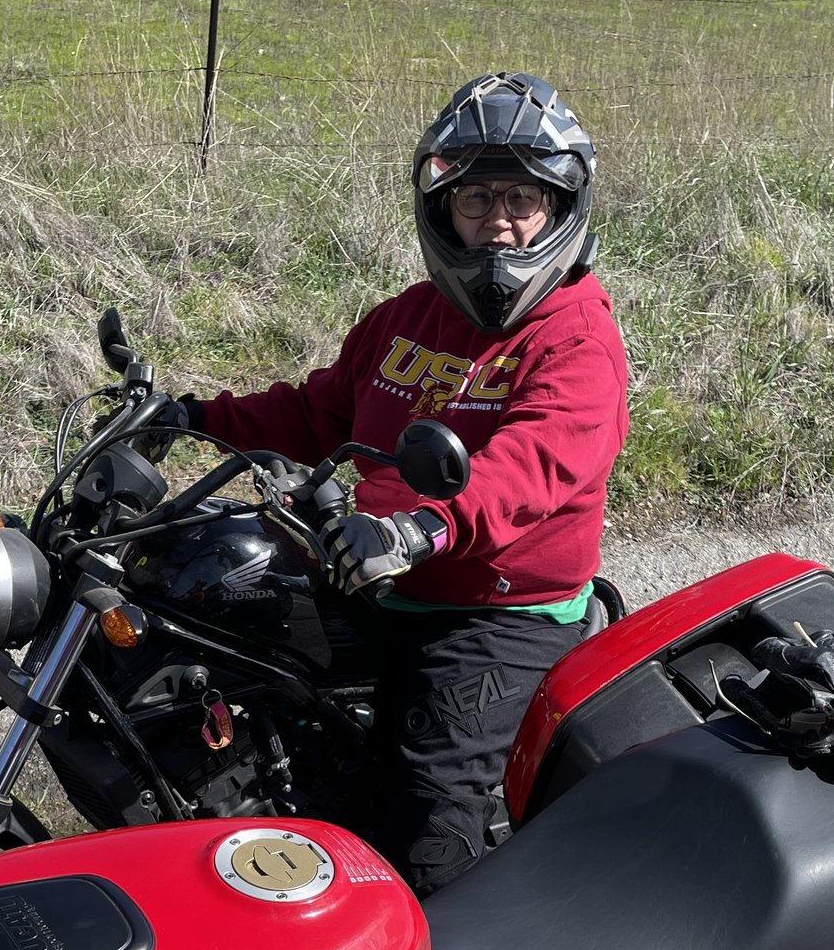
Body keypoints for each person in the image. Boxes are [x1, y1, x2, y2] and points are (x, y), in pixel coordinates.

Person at [170, 71, 629, 894]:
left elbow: (532, 465)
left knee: (424, 827)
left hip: (497, 611)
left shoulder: (576, 339)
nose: (498, 222)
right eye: (476, 198)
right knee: (226, 668)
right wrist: (191, 417)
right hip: (377, 576)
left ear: (559, 208)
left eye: (521, 198)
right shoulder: (405, 319)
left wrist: (421, 526)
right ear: (443, 209)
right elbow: (316, 413)